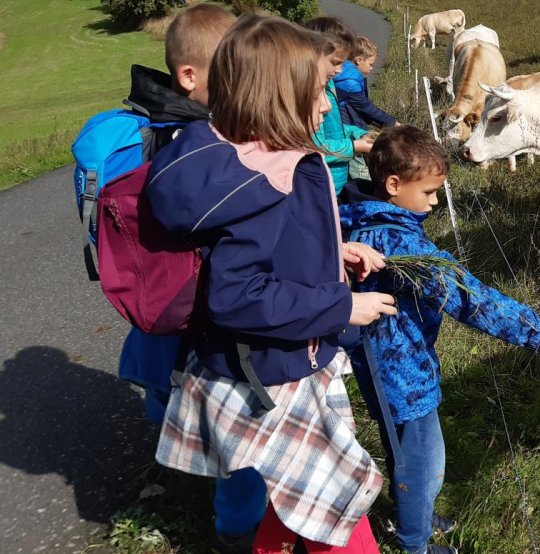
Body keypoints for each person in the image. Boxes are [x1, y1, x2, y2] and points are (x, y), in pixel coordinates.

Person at [147, 14, 397, 553]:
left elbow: (268, 246)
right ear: (279, 97)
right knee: (338, 501)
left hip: (271, 361)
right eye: (318, 92)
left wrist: (333, 253)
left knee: (300, 498)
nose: (328, 106)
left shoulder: (243, 156)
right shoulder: (270, 176)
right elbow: (238, 294)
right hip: (277, 372)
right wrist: (342, 307)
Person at [340, 125, 540, 554]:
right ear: (393, 185)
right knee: (424, 462)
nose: (434, 202)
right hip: (403, 372)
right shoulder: (398, 240)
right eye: (429, 192)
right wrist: (538, 334)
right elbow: (469, 296)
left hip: (379, 364)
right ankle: (414, 542)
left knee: (402, 450)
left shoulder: (360, 218)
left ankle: (415, 512)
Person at [108, 4, 269, 550]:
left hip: (154, 311)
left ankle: (174, 450)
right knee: (239, 428)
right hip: (201, 311)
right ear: (189, 76)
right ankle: (238, 531)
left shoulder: (143, 126)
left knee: (165, 386)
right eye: (233, 73)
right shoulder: (195, 145)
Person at [305, 16, 373, 198]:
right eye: (335, 62)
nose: (340, 70)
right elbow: (315, 147)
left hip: (335, 180)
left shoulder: (328, 83)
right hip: (322, 185)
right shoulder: (309, 93)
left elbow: (334, 128)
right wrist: (354, 146)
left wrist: (357, 133)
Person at [333, 35, 398, 129]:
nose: (371, 68)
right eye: (370, 64)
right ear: (358, 60)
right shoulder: (350, 83)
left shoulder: (347, 74)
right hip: (347, 126)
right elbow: (365, 107)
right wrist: (393, 123)